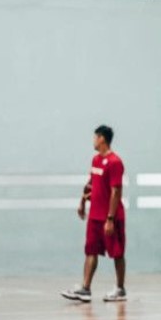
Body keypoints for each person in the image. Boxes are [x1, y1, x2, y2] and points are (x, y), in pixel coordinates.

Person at [61, 125, 127, 302]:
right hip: (94, 217)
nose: (93, 141)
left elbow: (116, 191)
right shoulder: (96, 160)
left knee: (117, 253)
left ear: (102, 139)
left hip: (111, 217)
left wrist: (110, 219)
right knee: (91, 251)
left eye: (94, 137)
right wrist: (82, 202)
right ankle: (85, 289)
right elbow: (92, 184)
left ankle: (120, 289)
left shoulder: (115, 162)